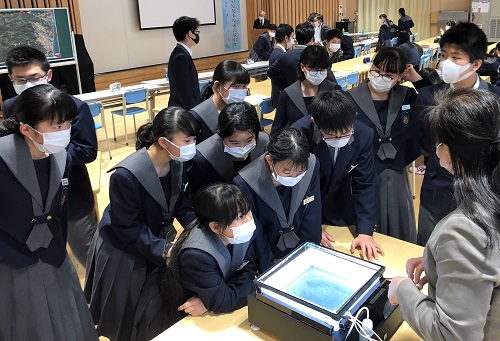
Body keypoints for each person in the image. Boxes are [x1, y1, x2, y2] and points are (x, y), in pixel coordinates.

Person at [388, 88, 500, 341]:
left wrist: (402, 290)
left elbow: (452, 335)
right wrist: (439, 262)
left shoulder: (465, 230)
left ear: (446, 151)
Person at [84, 107, 197, 341]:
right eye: (187, 140)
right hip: (123, 249)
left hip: (153, 238)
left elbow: (181, 204)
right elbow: (126, 228)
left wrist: (198, 228)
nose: (192, 145)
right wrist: (163, 249)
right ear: (164, 142)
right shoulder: (125, 175)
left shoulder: (178, 161)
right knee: (126, 314)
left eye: (194, 139)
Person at [0, 84, 97, 340]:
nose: (65, 133)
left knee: (68, 321)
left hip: (54, 256)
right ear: (26, 128)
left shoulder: (60, 155)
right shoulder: (2, 157)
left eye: (67, 124)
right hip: (11, 261)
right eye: (56, 126)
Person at [402, 22, 500, 246]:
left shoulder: (496, 99)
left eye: (456, 58)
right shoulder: (428, 97)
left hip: (484, 198)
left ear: (476, 64)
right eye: (444, 55)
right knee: (427, 257)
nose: (446, 63)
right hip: (437, 194)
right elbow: (423, 140)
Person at [2, 46, 98, 269]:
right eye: (20, 79)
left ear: (49, 75)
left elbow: (87, 150)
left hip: (71, 193)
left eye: (34, 77)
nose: (28, 83)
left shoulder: (75, 107)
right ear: (11, 79)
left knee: (87, 254)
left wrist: (47, 152)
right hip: (29, 197)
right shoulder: (10, 106)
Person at [159, 183, 273, 327]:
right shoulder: (196, 255)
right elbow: (224, 301)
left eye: (248, 211)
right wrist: (259, 287)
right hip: (187, 314)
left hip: (212, 297)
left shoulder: (238, 230)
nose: (249, 220)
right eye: (240, 217)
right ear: (215, 227)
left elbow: (247, 268)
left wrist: (211, 301)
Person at [291, 91, 384, 260]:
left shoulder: (364, 135)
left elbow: (365, 184)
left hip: (339, 203)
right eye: (331, 135)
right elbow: (296, 187)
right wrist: (311, 228)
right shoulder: (298, 135)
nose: (339, 139)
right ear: (315, 122)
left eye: (346, 133)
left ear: (354, 117)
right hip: (304, 207)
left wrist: (365, 232)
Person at [347, 47, 420, 243]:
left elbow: (436, 99)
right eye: (377, 71)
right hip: (365, 175)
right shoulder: (350, 98)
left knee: (400, 226)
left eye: (388, 75)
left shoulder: (407, 96)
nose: (380, 77)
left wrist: (416, 78)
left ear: (399, 77)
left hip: (396, 173)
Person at [234, 128, 322, 259]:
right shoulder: (244, 182)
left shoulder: (312, 165)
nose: (294, 177)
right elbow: (256, 233)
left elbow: (312, 215)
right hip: (267, 250)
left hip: (301, 245)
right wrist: (267, 265)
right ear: (270, 161)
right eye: (287, 172)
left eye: (300, 172)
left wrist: (309, 252)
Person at [187, 102, 269, 194]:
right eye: (235, 143)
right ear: (221, 136)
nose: (242, 147)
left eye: (249, 140)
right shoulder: (202, 157)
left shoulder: (264, 143)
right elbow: (197, 194)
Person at [271, 45, 340, 136]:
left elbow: (342, 123)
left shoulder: (334, 90)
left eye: (322, 70)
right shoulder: (288, 94)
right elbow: (277, 129)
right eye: (314, 70)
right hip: (298, 145)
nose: (318, 74)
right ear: (302, 67)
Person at [190, 60, 250, 144]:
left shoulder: (248, 110)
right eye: (236, 86)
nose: (241, 91)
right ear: (218, 86)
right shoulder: (196, 117)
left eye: (244, 86)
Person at [267, 22, 337, 94]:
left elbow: (271, 72)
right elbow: (331, 79)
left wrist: (286, 88)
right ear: (311, 39)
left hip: (293, 97)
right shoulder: (318, 55)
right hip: (315, 96)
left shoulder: (285, 56)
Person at [167, 16, 201, 109]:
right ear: (190, 33)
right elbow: (185, 91)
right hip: (183, 112)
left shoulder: (181, 53)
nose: (198, 35)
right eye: (196, 31)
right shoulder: (180, 57)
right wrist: (194, 113)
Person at [269, 24, 295, 108]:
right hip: (282, 96)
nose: (293, 40)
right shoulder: (280, 55)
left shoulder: (276, 52)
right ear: (286, 38)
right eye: (292, 37)